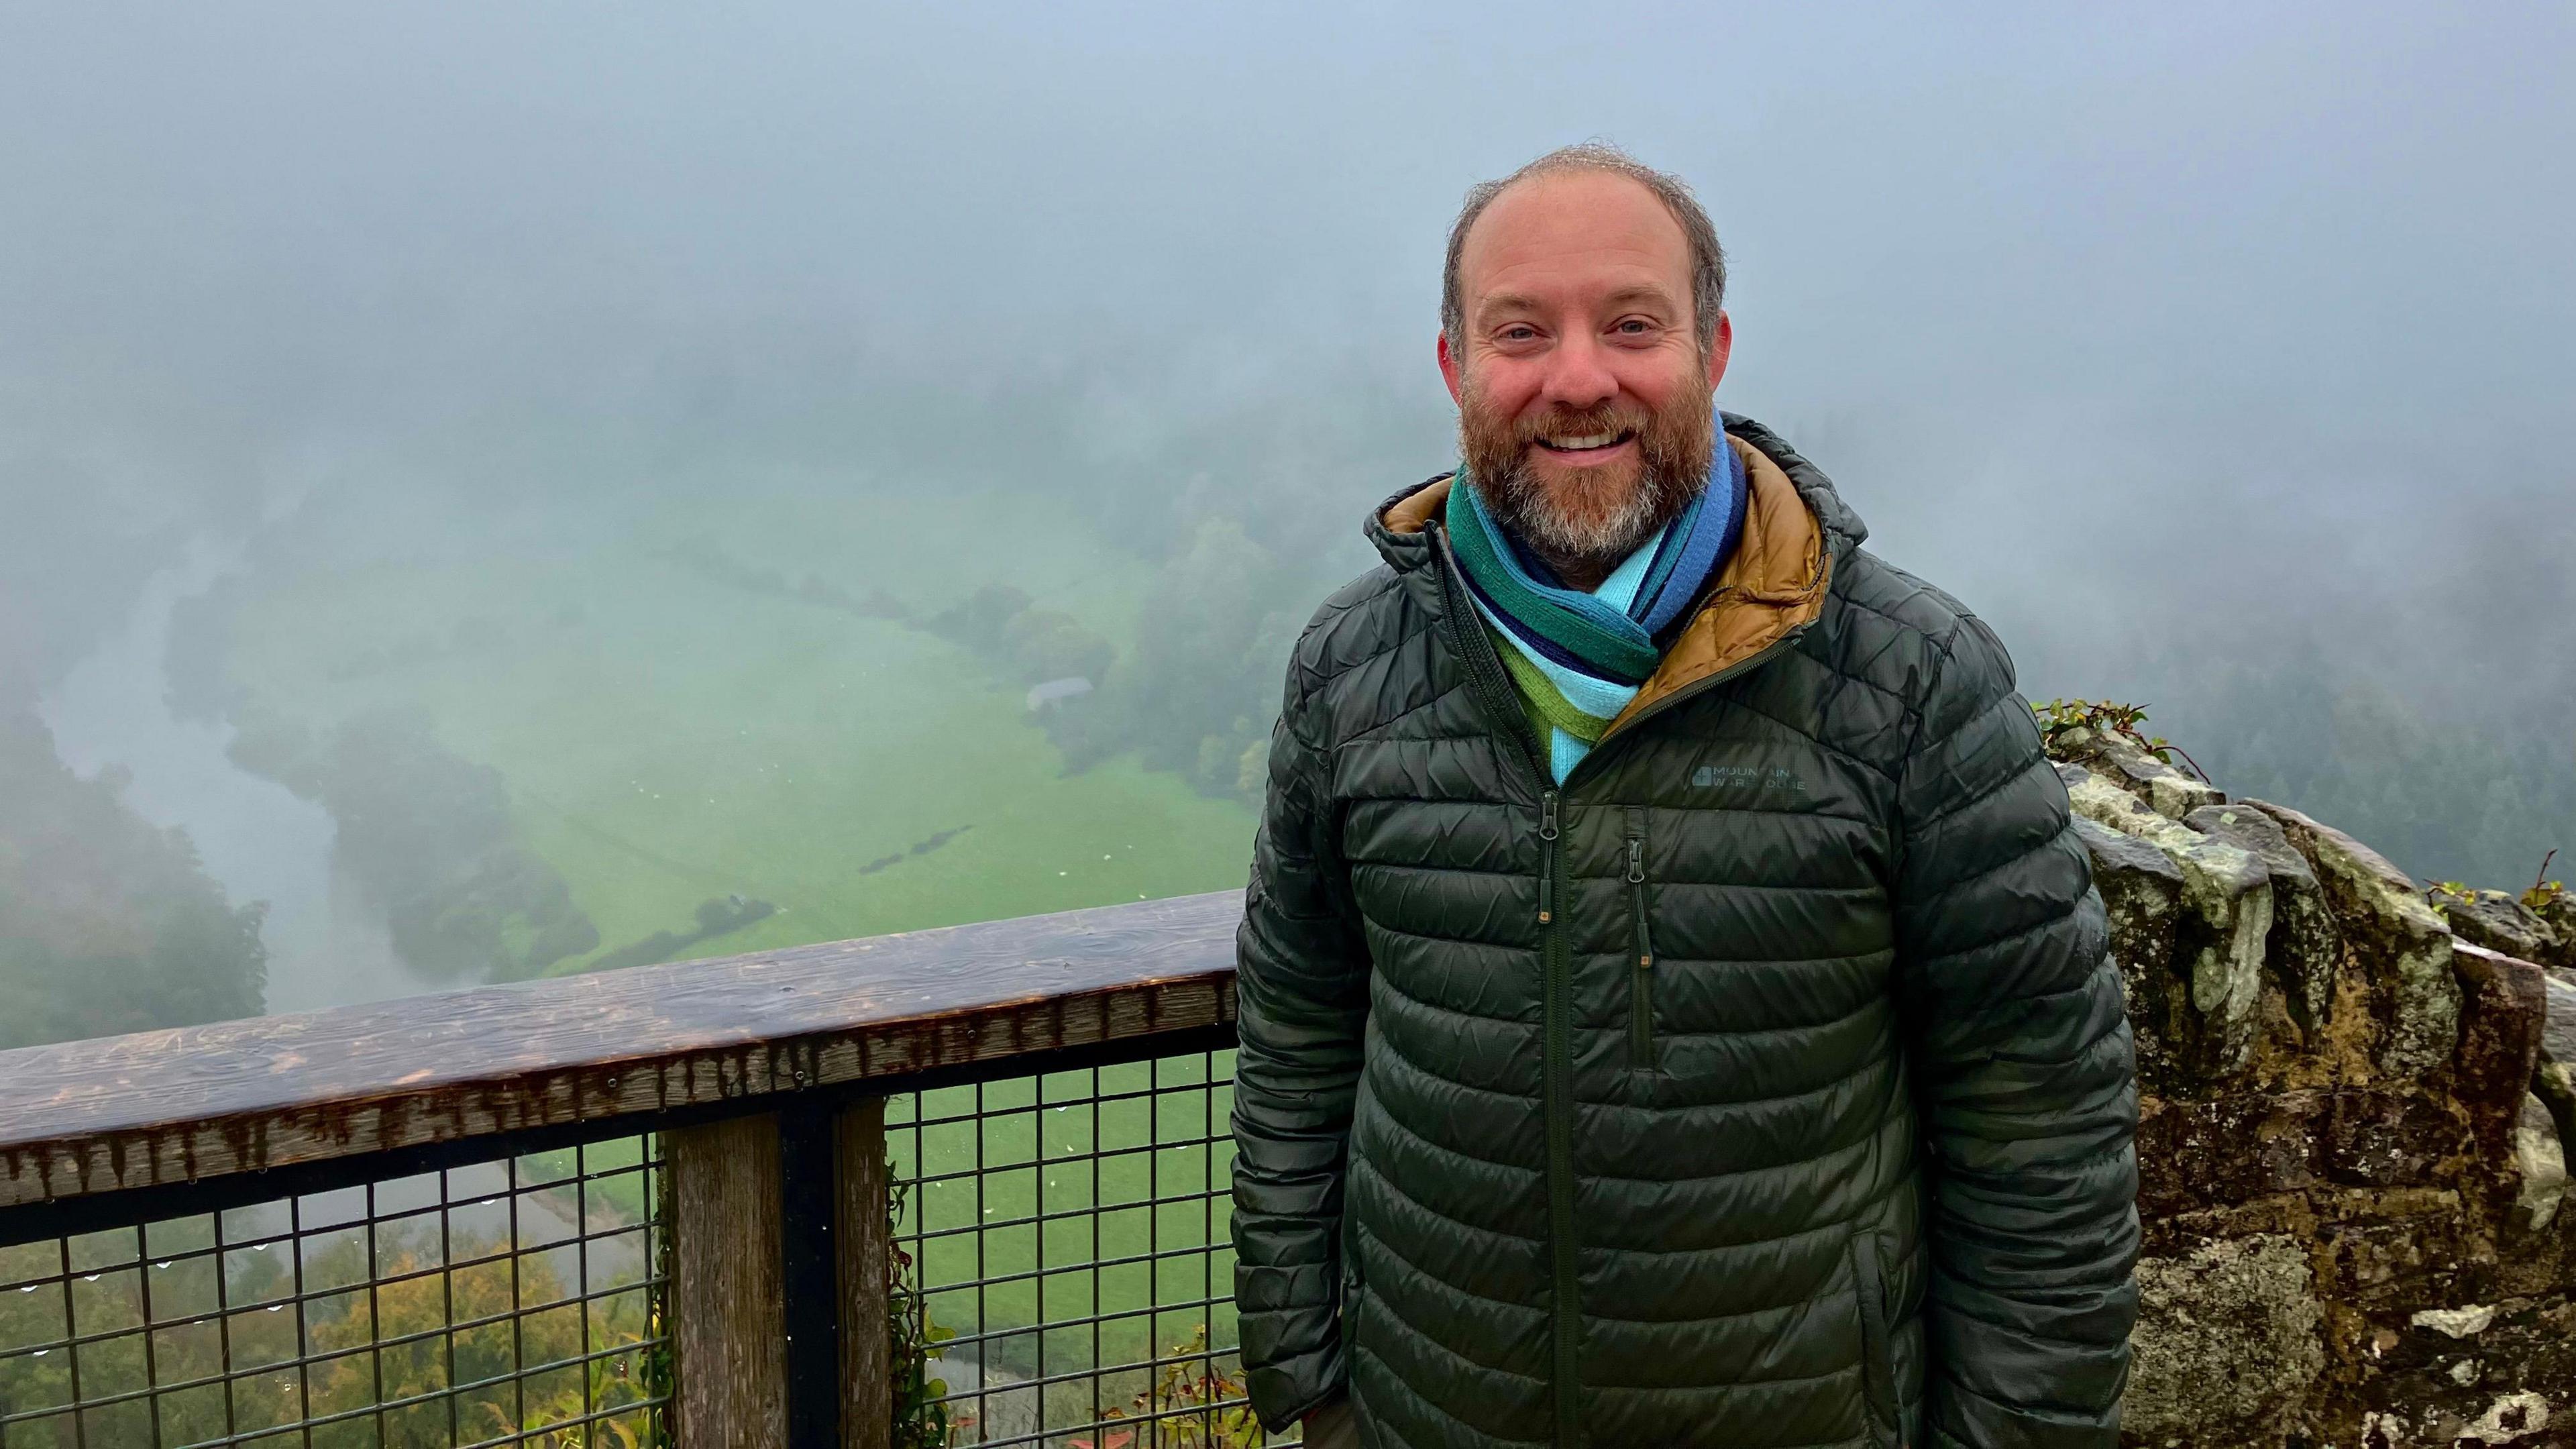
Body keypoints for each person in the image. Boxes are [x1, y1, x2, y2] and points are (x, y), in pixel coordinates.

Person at [1226, 143, 2140, 1449]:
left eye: (1632, 325)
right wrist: (1308, 1383)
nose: (1579, 376)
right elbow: (1301, 1031)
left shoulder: (1910, 681)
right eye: (1521, 331)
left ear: (1712, 349)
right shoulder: (1350, 671)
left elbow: (2040, 1116)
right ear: (1455, 369)